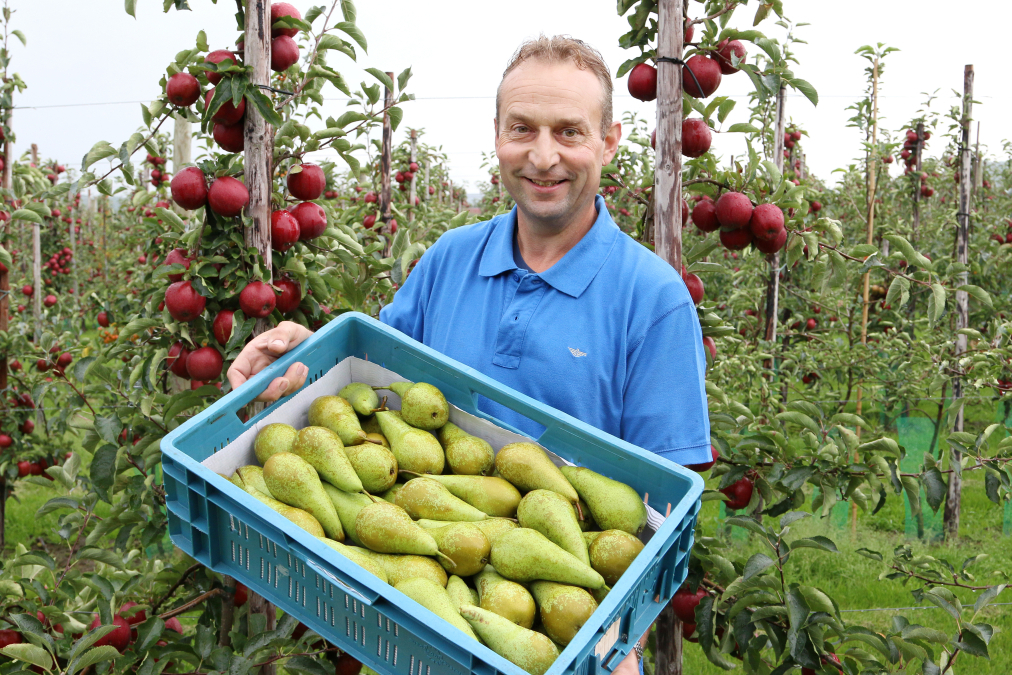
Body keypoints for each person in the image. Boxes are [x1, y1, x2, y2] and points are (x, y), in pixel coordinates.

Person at [227, 36, 710, 674]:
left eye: (569, 131)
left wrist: (621, 642)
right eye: (522, 129)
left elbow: (664, 517)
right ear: (497, 136)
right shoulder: (447, 261)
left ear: (609, 141)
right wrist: (300, 359)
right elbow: (366, 389)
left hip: (570, 644)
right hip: (426, 622)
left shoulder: (654, 301)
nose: (543, 156)